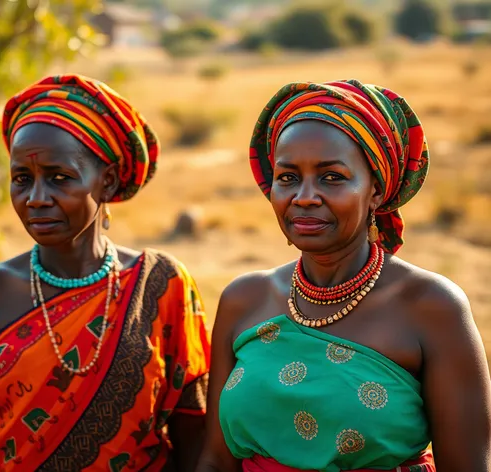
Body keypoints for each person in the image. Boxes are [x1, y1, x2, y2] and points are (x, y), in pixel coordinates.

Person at [197, 80, 491, 472]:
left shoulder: (431, 307)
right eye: (287, 177)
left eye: (331, 177)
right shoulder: (244, 299)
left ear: (376, 190)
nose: (303, 196)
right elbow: (216, 461)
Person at [0, 74, 211, 472]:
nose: (36, 199)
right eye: (22, 180)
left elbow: (194, 436)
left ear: (107, 181)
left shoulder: (161, 285)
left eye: (60, 178)